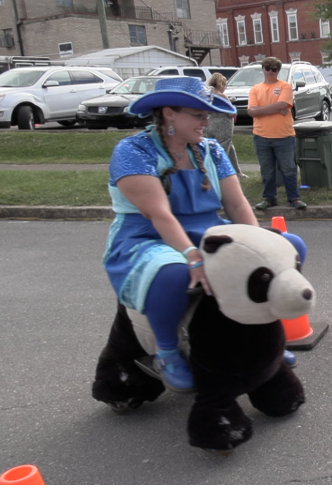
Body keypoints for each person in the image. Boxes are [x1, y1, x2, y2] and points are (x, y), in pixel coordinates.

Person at [103, 77, 304, 392]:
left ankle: (265, 340)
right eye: (199, 115)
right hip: (148, 236)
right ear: (169, 113)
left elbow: (236, 204)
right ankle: (167, 352)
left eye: (207, 115)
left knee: (289, 248)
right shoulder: (133, 151)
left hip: (209, 229)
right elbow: (158, 214)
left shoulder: (210, 150)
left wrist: (259, 245)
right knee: (172, 273)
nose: (206, 122)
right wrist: (191, 255)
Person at [248, 57, 306, 210]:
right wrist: (275, 109)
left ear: (278, 71)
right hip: (261, 136)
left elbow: (283, 105)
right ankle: (269, 198)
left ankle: (293, 198)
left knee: (288, 169)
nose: (271, 71)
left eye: (274, 69)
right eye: (268, 68)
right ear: (263, 69)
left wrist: (260, 110)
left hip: (284, 136)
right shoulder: (255, 88)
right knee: (267, 170)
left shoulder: (285, 86)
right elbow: (251, 111)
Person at [205, 73, 247, 179]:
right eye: (225, 85)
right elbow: (231, 113)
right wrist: (233, 107)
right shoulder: (222, 96)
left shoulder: (208, 95)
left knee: (229, 147)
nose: (225, 88)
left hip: (210, 124)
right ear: (221, 84)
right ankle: (216, 174)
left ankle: (237, 171)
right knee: (222, 150)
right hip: (223, 125)